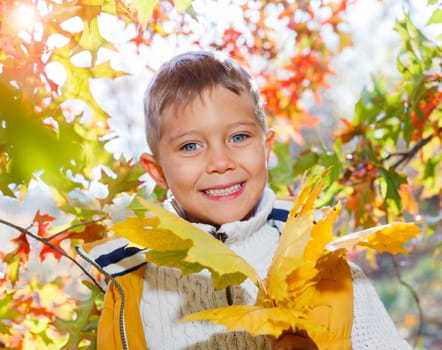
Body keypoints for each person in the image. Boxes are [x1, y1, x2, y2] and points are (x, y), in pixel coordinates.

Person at [77, 50, 413, 350]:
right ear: (158, 171)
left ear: (266, 148)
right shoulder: (133, 288)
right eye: (190, 146)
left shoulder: (328, 271)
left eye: (239, 137)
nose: (221, 162)